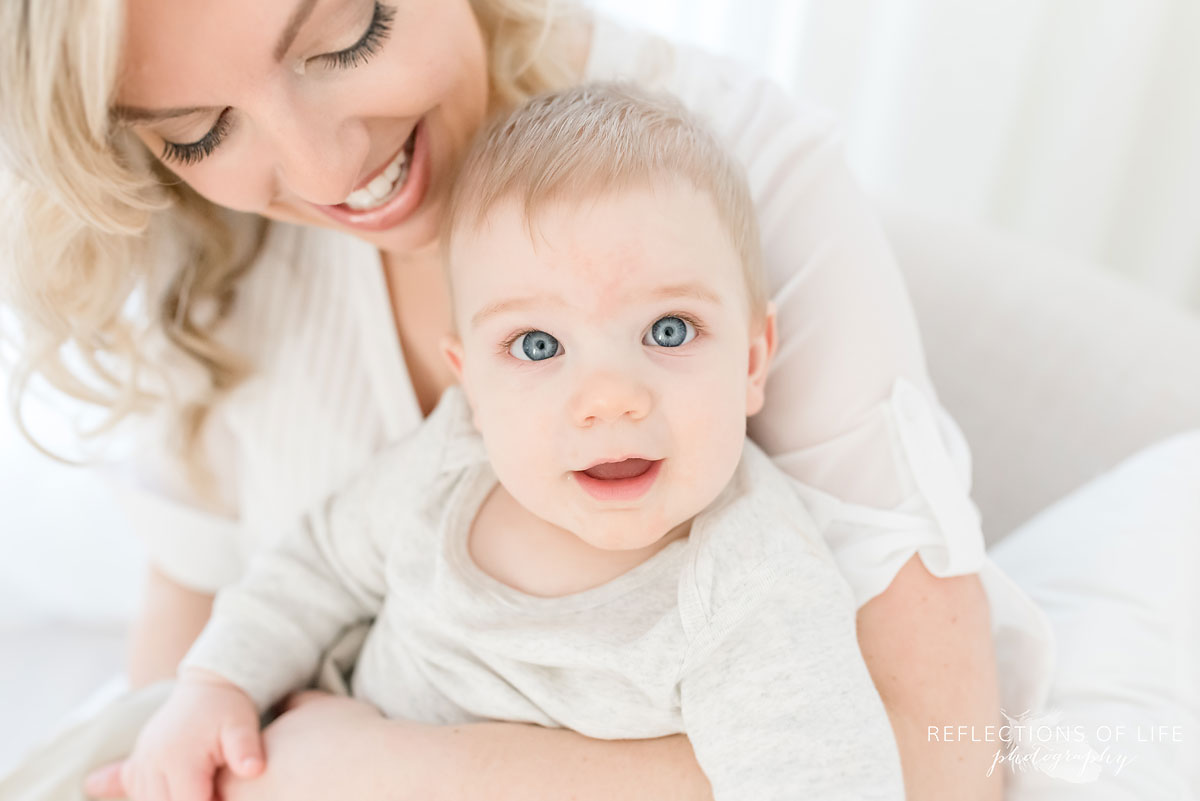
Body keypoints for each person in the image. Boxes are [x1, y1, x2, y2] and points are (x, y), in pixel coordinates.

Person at [0, 1, 1043, 798]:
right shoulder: (421, 450)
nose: (324, 167)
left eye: (346, 35)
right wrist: (206, 702)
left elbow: (929, 755)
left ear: (752, 346)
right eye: (197, 131)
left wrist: (393, 772)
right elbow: (226, 610)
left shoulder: (718, 183)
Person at [113, 83, 906, 801]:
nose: (608, 398)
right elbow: (316, 563)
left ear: (753, 359)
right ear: (472, 386)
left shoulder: (750, 589)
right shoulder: (452, 462)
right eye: (536, 345)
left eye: (669, 330)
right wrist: (215, 681)